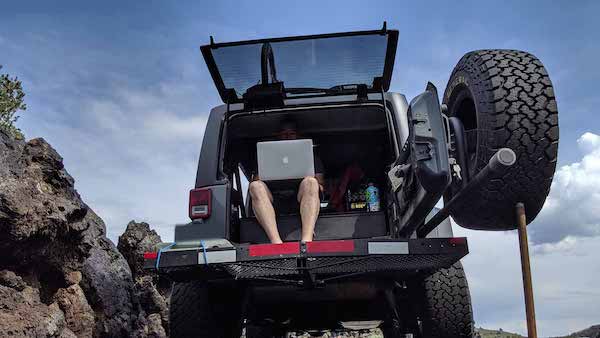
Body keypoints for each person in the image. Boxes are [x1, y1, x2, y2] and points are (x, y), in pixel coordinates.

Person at [249, 119, 324, 243]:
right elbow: (256, 180)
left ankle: (307, 241)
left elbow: (320, 185)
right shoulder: (267, 156)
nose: (288, 136)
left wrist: (312, 182)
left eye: (292, 133)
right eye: (284, 134)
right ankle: (276, 242)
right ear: (279, 137)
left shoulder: (311, 157)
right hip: (273, 202)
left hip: (301, 201)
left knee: (311, 182)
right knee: (255, 186)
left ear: (298, 136)